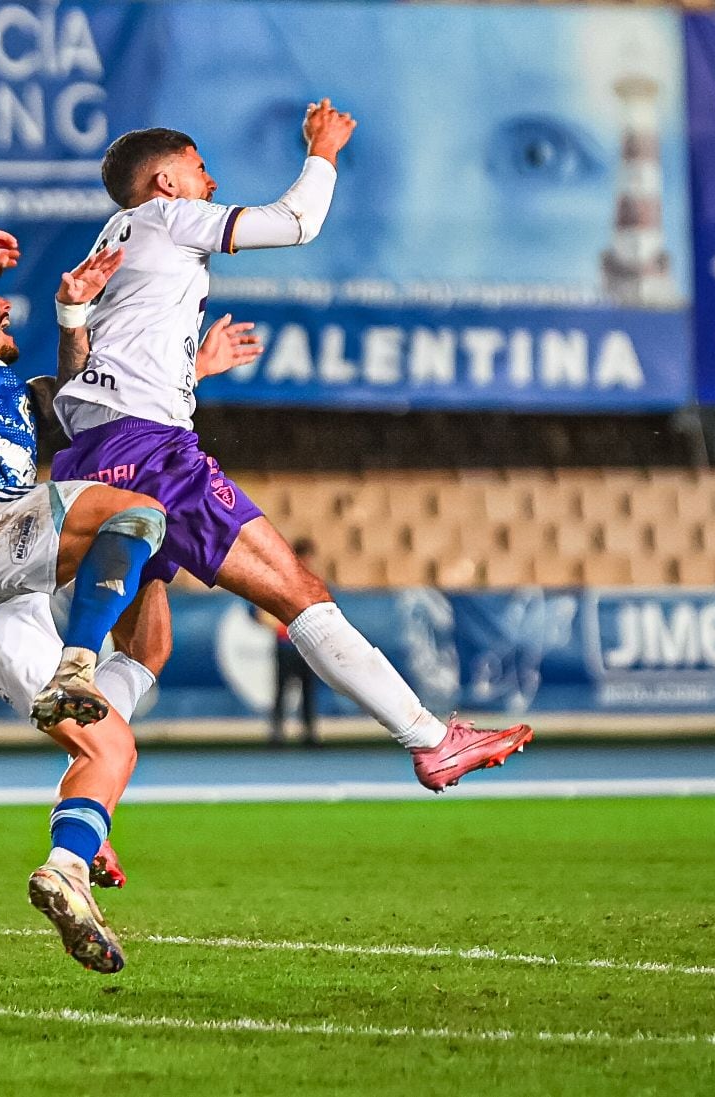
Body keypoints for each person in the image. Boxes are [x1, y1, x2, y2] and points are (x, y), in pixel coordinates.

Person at [50, 101, 534, 790]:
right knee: (298, 592)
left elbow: (82, 379)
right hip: (153, 453)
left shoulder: (113, 242)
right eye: (199, 168)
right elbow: (296, 222)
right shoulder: (169, 217)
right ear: (165, 182)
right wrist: (323, 149)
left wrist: (190, 372)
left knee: (145, 649)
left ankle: (83, 804)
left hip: (91, 457)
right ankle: (431, 739)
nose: (211, 182)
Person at [0, 225, 162, 974]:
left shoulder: (11, 388)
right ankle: (80, 662)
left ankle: (68, 865)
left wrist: (80, 316)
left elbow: (75, 396)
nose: (5, 304)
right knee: (134, 512)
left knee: (110, 745)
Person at [261, 538, 322, 748]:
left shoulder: (312, 581)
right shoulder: (282, 580)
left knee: (307, 691)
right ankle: (277, 733)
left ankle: (309, 733)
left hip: (307, 644)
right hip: (287, 644)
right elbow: (264, 614)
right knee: (282, 691)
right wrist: (284, 625)